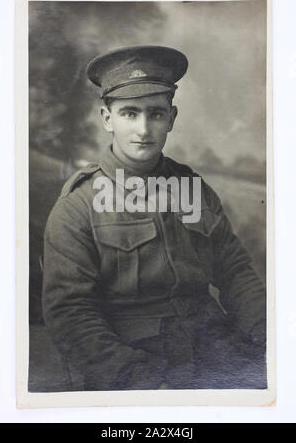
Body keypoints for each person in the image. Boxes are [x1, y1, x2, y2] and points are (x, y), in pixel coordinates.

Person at [42, 45, 266, 391]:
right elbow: (70, 313)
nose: (144, 129)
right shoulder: (80, 203)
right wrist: (139, 380)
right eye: (129, 114)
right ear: (107, 118)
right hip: (136, 363)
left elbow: (236, 272)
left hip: (215, 348)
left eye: (156, 114)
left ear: (171, 118)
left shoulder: (194, 189)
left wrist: (269, 336)